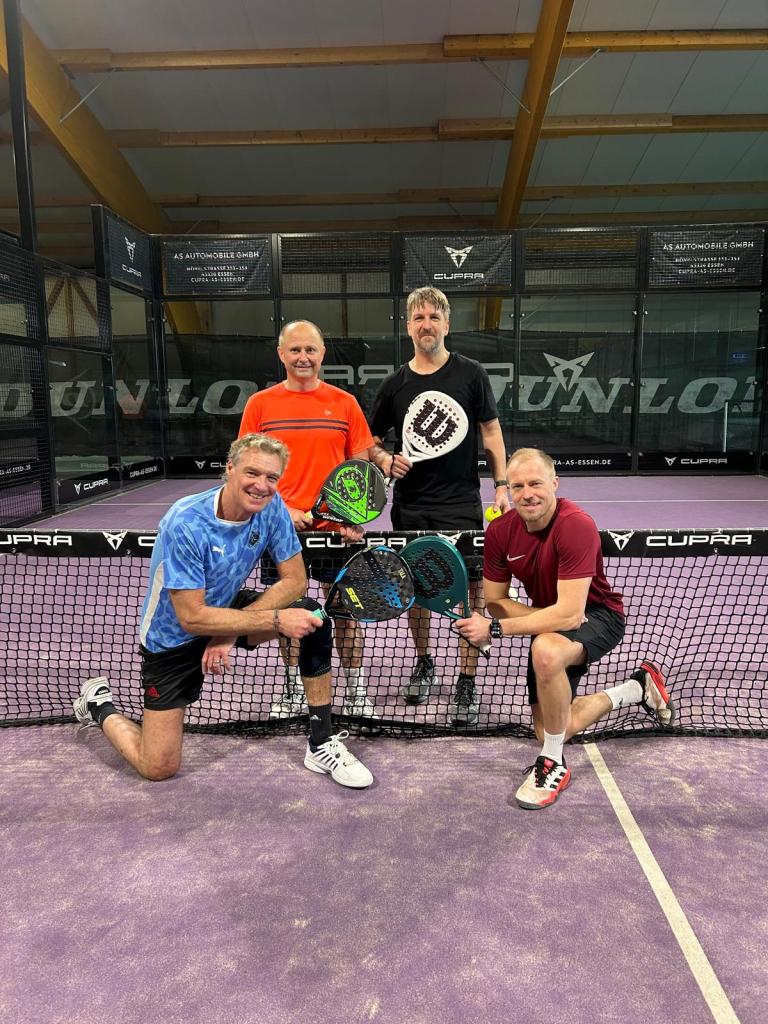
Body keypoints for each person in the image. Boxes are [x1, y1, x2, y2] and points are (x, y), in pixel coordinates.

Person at [73, 433, 373, 789]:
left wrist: (229, 633)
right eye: (252, 473)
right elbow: (191, 616)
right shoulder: (186, 521)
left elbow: (295, 581)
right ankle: (99, 705)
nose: (261, 485)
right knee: (158, 767)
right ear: (230, 469)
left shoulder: (272, 507)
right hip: (173, 637)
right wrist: (275, 620)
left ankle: (321, 742)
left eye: (272, 477)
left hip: (227, 608)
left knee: (312, 618)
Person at [455, 447, 675, 810]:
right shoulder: (500, 531)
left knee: (545, 650)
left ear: (555, 483)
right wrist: (544, 617)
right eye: (518, 486)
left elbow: (572, 615)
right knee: (548, 728)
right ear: (508, 490)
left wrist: (495, 629)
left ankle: (553, 762)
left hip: (598, 615)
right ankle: (638, 688)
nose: (527, 494)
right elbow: (495, 600)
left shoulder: (575, 524)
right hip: (551, 617)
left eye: (536, 483)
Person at [368, 286, 510, 726]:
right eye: (418, 318)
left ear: (447, 324)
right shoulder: (395, 385)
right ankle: (425, 661)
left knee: (472, 592)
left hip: (461, 503)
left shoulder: (471, 374)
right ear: (408, 326)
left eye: (433, 317)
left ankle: (466, 680)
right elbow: (371, 441)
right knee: (415, 590)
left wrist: (501, 485)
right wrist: (385, 459)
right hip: (411, 506)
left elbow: (490, 431)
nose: (426, 324)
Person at [238, 320, 382, 720]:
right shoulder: (260, 405)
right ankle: (292, 691)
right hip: (280, 532)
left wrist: (351, 516)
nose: (303, 357)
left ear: (322, 354)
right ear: (281, 354)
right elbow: (248, 468)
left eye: (311, 350)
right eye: (295, 350)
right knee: (288, 615)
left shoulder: (345, 403)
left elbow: (359, 468)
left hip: (337, 533)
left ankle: (355, 692)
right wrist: (281, 511)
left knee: (347, 614)